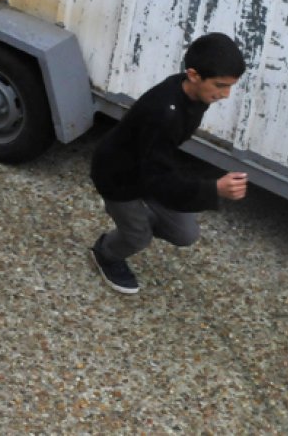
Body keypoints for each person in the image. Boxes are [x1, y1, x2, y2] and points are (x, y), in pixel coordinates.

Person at [88, 32, 250, 294]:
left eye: (230, 86)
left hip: (150, 166)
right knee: (138, 236)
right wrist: (214, 189)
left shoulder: (191, 92)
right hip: (118, 176)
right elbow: (159, 178)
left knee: (185, 234)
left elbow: (159, 167)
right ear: (194, 75)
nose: (226, 94)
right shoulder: (163, 113)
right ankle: (105, 252)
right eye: (220, 86)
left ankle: (137, 218)